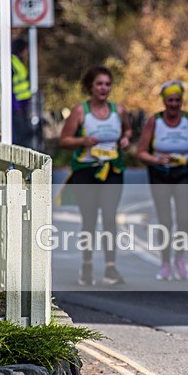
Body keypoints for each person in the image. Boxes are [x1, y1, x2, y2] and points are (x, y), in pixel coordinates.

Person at [59, 66, 132, 286]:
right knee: (89, 219)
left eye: (107, 84)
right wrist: (83, 141)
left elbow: (127, 130)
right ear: (90, 86)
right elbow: (64, 140)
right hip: (86, 170)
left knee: (110, 217)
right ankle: (87, 266)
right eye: (99, 84)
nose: (103, 88)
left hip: (112, 170)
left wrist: (126, 139)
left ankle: (110, 268)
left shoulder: (117, 110)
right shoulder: (80, 111)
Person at [135, 80, 188, 280]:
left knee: (183, 219)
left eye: (177, 100)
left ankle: (180, 259)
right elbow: (140, 152)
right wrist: (155, 159)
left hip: (183, 173)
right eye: (170, 100)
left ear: (181, 101)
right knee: (165, 220)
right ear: (164, 101)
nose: (174, 104)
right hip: (160, 174)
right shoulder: (154, 121)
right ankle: (165, 262)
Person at [11, 37, 33, 148]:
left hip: (22, 106)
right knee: (19, 138)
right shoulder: (12, 63)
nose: (27, 52)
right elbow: (10, 87)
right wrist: (16, 106)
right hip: (16, 107)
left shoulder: (18, 61)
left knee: (24, 135)